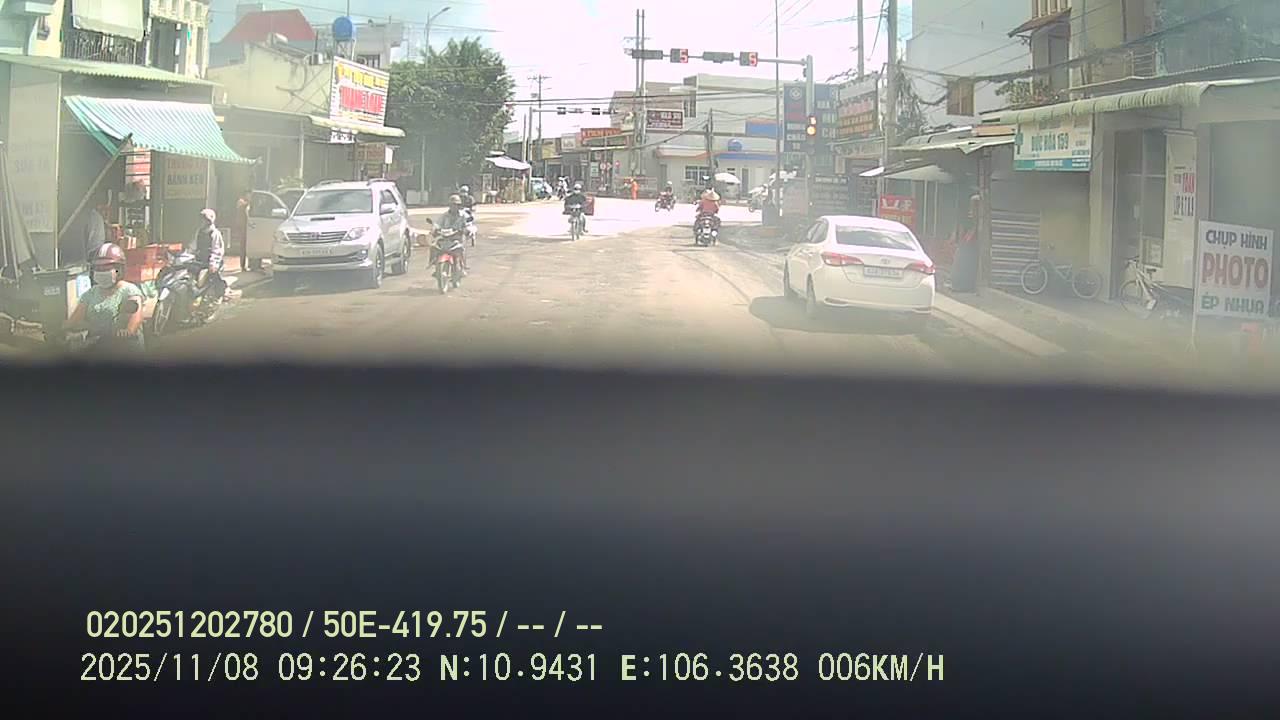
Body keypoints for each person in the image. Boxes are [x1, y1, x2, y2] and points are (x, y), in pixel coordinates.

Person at [66, 243, 145, 351]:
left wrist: (128, 331)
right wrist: (65, 329)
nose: (101, 270)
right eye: (98, 268)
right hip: (96, 345)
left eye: (106, 267)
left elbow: (136, 318)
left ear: (119, 269)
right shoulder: (90, 293)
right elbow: (75, 319)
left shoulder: (130, 291)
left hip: (124, 348)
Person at [190, 208, 226, 295]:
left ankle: (217, 294)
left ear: (209, 221)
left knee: (204, 281)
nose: (201, 222)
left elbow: (217, 251)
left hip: (209, 263)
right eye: (201, 220)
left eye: (203, 220)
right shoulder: (199, 232)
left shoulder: (215, 233)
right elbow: (192, 247)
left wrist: (213, 264)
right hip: (199, 261)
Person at [432, 194, 469, 271]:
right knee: (433, 246)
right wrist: (435, 230)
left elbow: (468, 225)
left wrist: (465, 230)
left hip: (457, 238)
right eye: (452, 205)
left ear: (459, 206)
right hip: (445, 237)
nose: (454, 207)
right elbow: (438, 224)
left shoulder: (463, 215)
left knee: (461, 249)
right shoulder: (444, 215)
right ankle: (434, 262)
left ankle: (463, 266)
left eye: (456, 205)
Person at [232, 190, 251, 272]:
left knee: (248, 246)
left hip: (248, 227)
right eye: (249, 195)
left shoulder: (248, 204)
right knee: (243, 246)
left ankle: (251, 264)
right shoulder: (241, 202)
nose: (250, 196)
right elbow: (242, 206)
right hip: (242, 227)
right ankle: (242, 265)